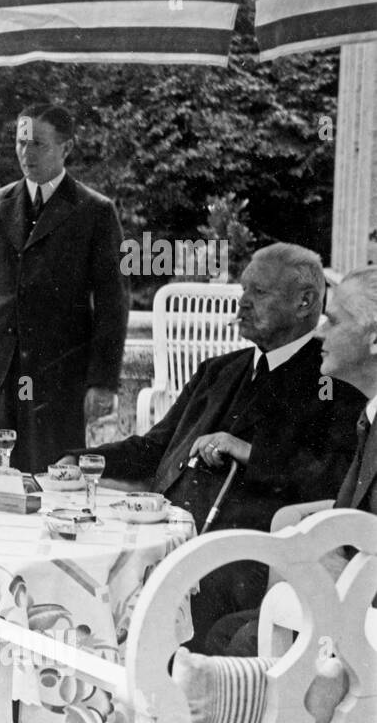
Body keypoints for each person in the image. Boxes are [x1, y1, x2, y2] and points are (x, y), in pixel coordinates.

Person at [58, 243, 365, 652]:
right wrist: (80, 460)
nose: (242, 304)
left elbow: (336, 480)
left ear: (305, 302)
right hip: (162, 542)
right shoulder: (221, 370)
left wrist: (250, 452)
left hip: (238, 563)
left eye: (260, 293)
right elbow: (154, 447)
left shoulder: (334, 382)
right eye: (244, 290)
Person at [209, 267, 377, 654]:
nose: (319, 333)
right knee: (227, 632)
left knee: (243, 639)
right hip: (345, 591)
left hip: (359, 621)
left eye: (333, 321)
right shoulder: (368, 415)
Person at [0, 103, 129, 474]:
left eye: (37, 144)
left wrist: (103, 382)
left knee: (54, 486)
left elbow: (112, 303)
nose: (26, 153)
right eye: (21, 142)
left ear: (66, 148)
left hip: (57, 382)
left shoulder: (95, 211)